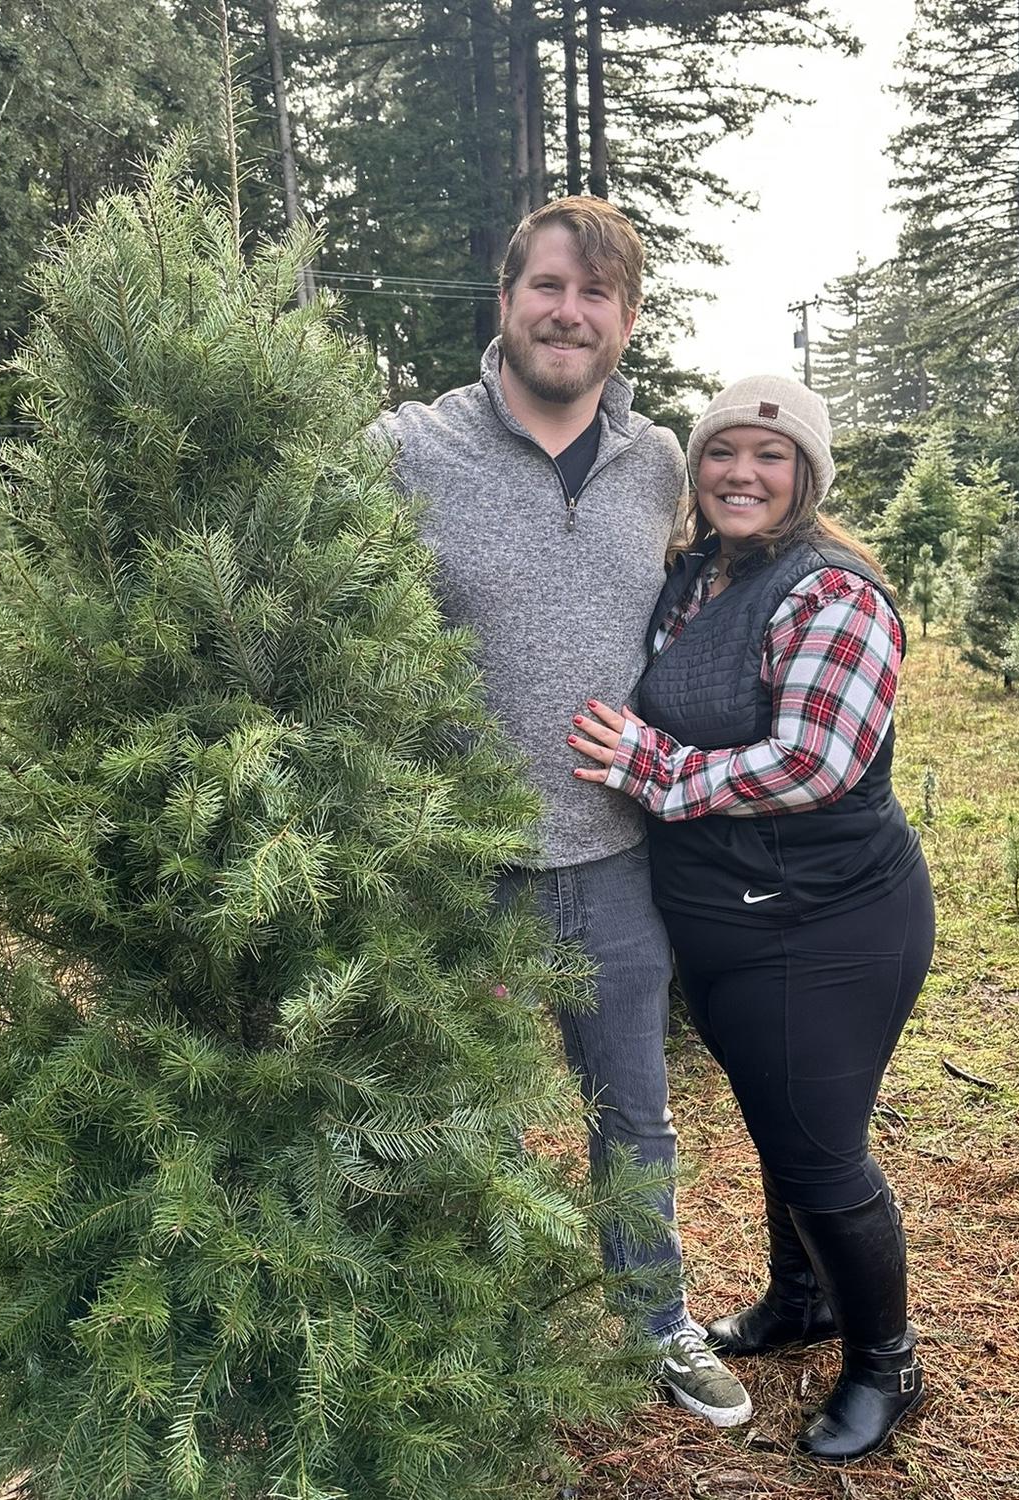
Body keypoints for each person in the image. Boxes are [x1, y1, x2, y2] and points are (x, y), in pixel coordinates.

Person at [371, 199, 753, 1427]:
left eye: (596, 296)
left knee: (632, 1112)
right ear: (507, 299)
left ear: (626, 321)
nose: (568, 313)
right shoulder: (409, 448)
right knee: (454, 1107)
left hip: (613, 857)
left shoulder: (658, 466)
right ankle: (466, 1328)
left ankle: (655, 1320)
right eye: (548, 286)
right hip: (456, 860)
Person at [570, 375, 934, 1462]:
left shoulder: (838, 597)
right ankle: (801, 1301)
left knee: (822, 1153)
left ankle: (888, 1361)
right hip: (728, 916)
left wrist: (652, 769)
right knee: (778, 1118)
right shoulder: (697, 576)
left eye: (770, 458)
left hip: (831, 923)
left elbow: (815, 762)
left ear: (807, 476)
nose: (742, 473)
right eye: (723, 452)